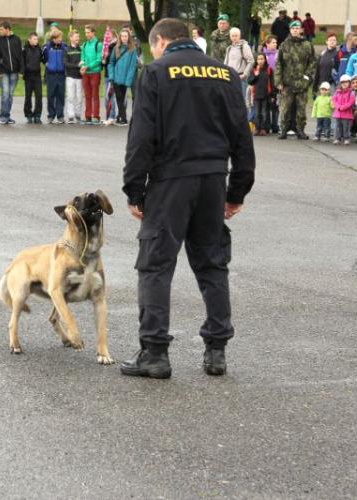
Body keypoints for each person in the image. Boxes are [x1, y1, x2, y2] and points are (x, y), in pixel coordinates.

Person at [120, 18, 254, 379]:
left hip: (170, 182)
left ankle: (154, 353)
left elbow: (141, 136)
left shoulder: (155, 73)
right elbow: (242, 136)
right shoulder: (226, 75)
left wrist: (134, 189)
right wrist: (237, 190)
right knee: (212, 264)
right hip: (213, 180)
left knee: (155, 266)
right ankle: (216, 350)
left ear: (161, 42)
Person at [274, 20, 316, 140]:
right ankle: (284, 129)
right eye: (293, 29)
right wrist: (278, 81)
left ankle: (300, 130)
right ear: (290, 30)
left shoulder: (307, 45)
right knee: (285, 108)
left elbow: (313, 62)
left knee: (301, 109)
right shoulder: (284, 45)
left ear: (301, 30)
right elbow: (278, 64)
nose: (295, 30)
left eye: (297, 28)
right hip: (287, 83)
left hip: (302, 83)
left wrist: (307, 77)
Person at [108, 28, 138, 126]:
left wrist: (128, 81)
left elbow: (132, 66)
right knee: (118, 98)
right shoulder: (116, 48)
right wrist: (112, 76)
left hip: (125, 79)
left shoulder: (132, 49)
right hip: (116, 77)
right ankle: (122, 117)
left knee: (123, 99)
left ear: (129, 37)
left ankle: (122, 117)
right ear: (120, 37)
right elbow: (111, 62)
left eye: (126, 36)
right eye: (123, 36)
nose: (124, 38)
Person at [0, 21, 23, 124]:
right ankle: (3, 117)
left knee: (10, 94)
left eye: (1, 30)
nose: (0, 32)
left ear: (7, 29)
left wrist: (21, 70)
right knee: (5, 93)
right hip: (3, 71)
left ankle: (7, 115)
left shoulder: (17, 39)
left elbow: (20, 56)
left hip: (15, 72)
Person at [80, 24, 103, 124]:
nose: (87, 34)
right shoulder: (84, 45)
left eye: (88, 32)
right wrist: (83, 66)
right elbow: (83, 57)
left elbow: (98, 60)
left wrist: (87, 66)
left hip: (95, 72)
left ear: (93, 33)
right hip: (86, 73)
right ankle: (88, 116)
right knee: (87, 95)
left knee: (95, 95)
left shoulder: (98, 44)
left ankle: (96, 116)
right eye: (85, 33)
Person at [43, 30, 66, 124]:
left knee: (60, 95)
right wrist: (47, 64)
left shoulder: (64, 46)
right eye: (60, 37)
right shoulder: (46, 47)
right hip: (51, 75)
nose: (61, 39)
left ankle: (60, 115)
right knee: (50, 95)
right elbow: (43, 58)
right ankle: (51, 115)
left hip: (61, 74)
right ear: (54, 38)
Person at [224, 27, 254, 98]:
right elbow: (225, 63)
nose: (234, 38)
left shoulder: (244, 46)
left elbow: (251, 61)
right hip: (230, 77)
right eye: (232, 36)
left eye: (236, 35)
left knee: (242, 99)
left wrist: (245, 74)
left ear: (239, 36)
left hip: (240, 77)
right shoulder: (229, 48)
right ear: (230, 36)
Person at [248, 53, 273, 135]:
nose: (260, 61)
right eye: (258, 59)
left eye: (262, 59)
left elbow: (272, 83)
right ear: (256, 60)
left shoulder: (269, 69)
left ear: (265, 60)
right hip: (256, 94)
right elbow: (250, 82)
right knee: (257, 113)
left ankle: (263, 128)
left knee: (264, 113)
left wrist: (272, 95)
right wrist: (255, 75)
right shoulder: (254, 70)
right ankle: (257, 128)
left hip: (266, 94)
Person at [22, 32, 44, 124]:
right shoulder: (25, 50)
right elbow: (22, 62)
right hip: (28, 76)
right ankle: (28, 115)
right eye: (34, 39)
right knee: (28, 97)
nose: (36, 41)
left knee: (39, 96)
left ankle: (37, 115)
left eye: (37, 39)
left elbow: (43, 59)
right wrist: (22, 72)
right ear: (29, 39)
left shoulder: (39, 49)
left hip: (37, 76)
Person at [64, 30, 84, 124]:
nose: (77, 39)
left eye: (78, 37)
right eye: (76, 37)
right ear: (71, 38)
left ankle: (78, 115)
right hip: (70, 77)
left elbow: (84, 61)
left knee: (79, 97)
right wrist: (77, 65)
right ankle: (71, 116)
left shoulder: (81, 49)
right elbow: (65, 63)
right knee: (71, 97)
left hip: (80, 77)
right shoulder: (66, 50)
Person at [261, 36, 279, 134]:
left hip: (276, 81)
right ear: (267, 44)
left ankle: (275, 125)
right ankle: (266, 125)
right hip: (265, 82)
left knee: (275, 105)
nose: (275, 44)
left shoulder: (278, 54)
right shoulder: (263, 55)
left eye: (276, 43)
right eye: (273, 42)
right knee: (266, 105)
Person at [331, 74, 356, 145]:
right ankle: (337, 138)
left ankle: (346, 138)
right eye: (343, 82)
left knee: (346, 128)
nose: (344, 84)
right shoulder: (337, 92)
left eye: (346, 82)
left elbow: (351, 101)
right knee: (338, 127)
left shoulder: (351, 92)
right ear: (340, 83)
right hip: (338, 113)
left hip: (347, 114)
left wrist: (344, 107)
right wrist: (338, 107)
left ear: (349, 83)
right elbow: (334, 100)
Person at [314, 32, 338, 97]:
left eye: (334, 40)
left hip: (332, 85)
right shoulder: (322, 54)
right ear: (326, 42)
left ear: (336, 42)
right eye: (330, 40)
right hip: (322, 85)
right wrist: (315, 87)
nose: (332, 42)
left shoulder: (338, 54)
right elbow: (317, 70)